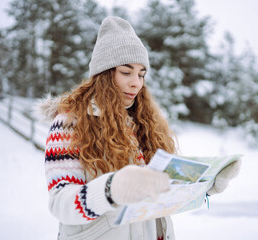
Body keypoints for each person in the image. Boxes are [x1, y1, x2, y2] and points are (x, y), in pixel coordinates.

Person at [39, 16, 241, 240]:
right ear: (104, 75)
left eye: (141, 74)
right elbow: (60, 202)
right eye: (126, 72)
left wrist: (207, 185)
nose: (136, 82)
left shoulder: (144, 124)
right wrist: (111, 189)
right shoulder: (70, 123)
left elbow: (163, 190)